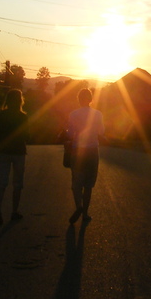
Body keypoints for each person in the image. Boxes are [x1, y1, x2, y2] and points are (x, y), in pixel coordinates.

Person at [66, 87, 105, 224]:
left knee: (77, 182)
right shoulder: (98, 114)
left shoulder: (73, 114)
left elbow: (70, 134)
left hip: (78, 150)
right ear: (91, 99)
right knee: (89, 184)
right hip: (93, 150)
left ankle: (79, 206)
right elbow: (102, 132)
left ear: (79, 99)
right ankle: (85, 214)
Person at [0, 89, 30, 224]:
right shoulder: (23, 117)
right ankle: (14, 211)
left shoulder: (1, 115)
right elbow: (26, 135)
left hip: (3, 151)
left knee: (1, 182)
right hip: (19, 152)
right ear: (20, 101)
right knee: (17, 183)